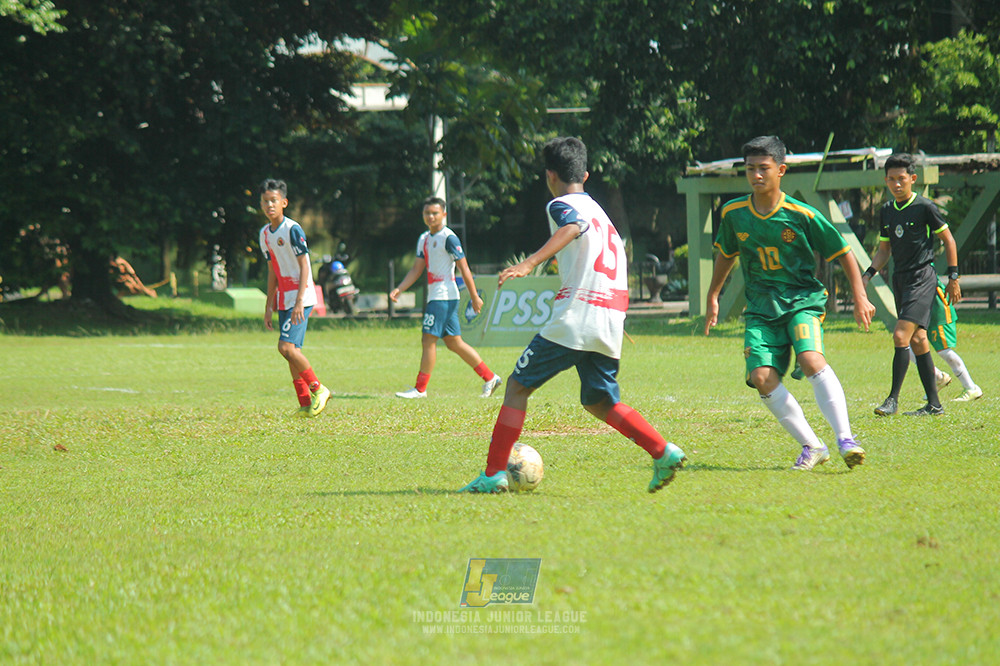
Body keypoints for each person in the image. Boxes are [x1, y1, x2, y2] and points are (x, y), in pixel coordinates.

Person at [460, 136, 686, 494]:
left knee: (517, 387)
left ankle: (492, 475)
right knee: (600, 401)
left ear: (550, 175)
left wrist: (529, 263)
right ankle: (663, 451)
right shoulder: (603, 214)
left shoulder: (561, 205)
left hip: (577, 317)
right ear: (586, 173)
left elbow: (572, 226)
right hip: (608, 318)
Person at [704, 135, 875, 471]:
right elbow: (726, 254)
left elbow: (843, 252)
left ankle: (846, 439)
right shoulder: (734, 213)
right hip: (760, 308)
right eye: (750, 169)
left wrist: (860, 296)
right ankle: (813, 446)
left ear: (780, 170)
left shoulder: (801, 214)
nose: (756, 175)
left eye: (763, 168)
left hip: (801, 301)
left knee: (811, 360)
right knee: (762, 376)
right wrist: (713, 296)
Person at [863, 153, 962, 416]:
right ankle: (934, 404)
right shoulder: (886, 211)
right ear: (885, 180)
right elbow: (885, 250)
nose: (896, 184)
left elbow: (949, 241)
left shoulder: (925, 207)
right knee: (918, 339)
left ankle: (892, 400)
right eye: (891, 179)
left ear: (913, 179)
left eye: (901, 179)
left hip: (922, 278)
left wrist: (953, 277)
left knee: (900, 336)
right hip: (901, 280)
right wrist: (868, 273)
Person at [389, 196, 502, 399]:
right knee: (454, 343)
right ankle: (489, 377)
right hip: (437, 296)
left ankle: (420, 389)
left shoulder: (449, 238)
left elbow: (464, 268)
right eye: (427, 213)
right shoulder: (424, 239)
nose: (430, 216)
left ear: (444, 215)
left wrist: (475, 296)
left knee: (428, 339)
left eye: (435, 213)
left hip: (444, 297)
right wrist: (400, 288)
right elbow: (417, 268)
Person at [258, 178, 331, 418]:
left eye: (274, 201)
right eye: (266, 201)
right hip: (284, 299)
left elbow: (305, 266)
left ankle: (319, 390)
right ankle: (304, 404)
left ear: (284, 203)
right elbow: (272, 272)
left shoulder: (292, 229)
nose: (270, 205)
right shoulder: (264, 235)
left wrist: (300, 300)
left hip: (302, 296)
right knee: (292, 352)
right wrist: (269, 306)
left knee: (285, 347)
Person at [908, 277, 983, 402]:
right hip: (922, 309)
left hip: (938, 310)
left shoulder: (922, 264)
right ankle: (937, 377)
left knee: (943, 351)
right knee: (907, 346)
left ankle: (971, 387)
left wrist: (954, 277)